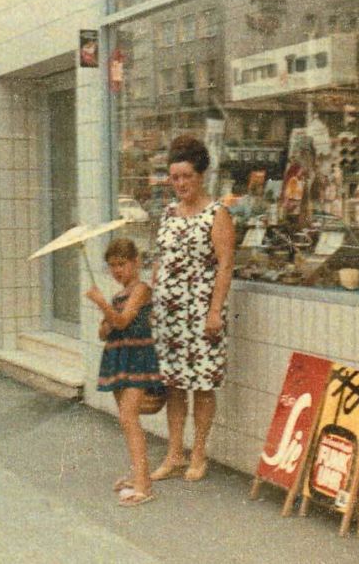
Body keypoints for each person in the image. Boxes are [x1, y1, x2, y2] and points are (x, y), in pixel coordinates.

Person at [151, 135, 235, 483]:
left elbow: (226, 265)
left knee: (201, 385)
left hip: (201, 314)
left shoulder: (217, 214)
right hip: (169, 315)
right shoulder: (168, 214)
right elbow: (161, 260)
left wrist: (215, 312)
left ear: (201, 175)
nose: (180, 184)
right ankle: (174, 453)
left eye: (186, 176)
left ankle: (198, 453)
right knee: (173, 385)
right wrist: (153, 299)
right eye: (175, 177)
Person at [85, 238, 163, 507]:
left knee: (129, 417)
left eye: (122, 264)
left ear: (136, 262)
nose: (117, 271)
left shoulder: (141, 289)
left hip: (137, 357)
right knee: (126, 419)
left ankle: (144, 485)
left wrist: (101, 305)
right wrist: (106, 314)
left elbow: (122, 320)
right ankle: (139, 474)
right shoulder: (118, 295)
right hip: (118, 357)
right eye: (112, 266)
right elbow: (104, 331)